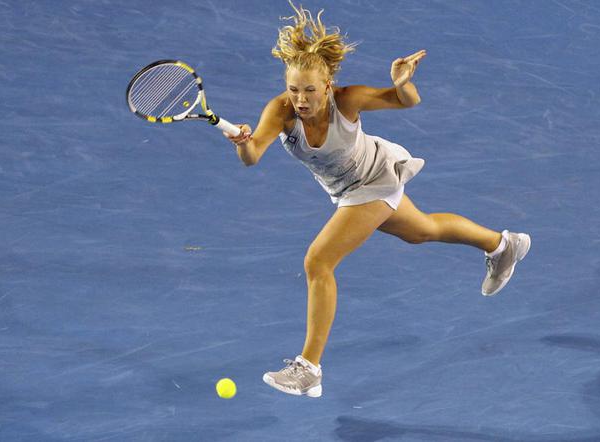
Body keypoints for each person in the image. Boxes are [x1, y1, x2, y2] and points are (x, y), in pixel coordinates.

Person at [224, 3, 530, 398]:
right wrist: (242, 142)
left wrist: (401, 83)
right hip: (346, 190)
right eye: (294, 89)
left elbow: (407, 101)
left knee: (318, 261)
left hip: (374, 178)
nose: (300, 98)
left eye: (310, 90)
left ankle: (309, 369)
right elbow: (252, 157)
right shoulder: (280, 111)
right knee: (422, 230)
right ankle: (503, 245)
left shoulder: (347, 100)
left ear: (328, 86)